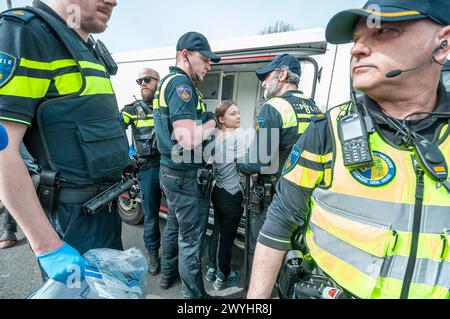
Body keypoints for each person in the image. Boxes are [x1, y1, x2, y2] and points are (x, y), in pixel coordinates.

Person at [248, 0, 450, 299]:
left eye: (383, 31)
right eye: (356, 40)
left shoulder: (273, 108)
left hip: (269, 189)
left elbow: (259, 162)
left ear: (443, 44)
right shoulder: (317, 114)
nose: (356, 49)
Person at [0, 0, 129, 284]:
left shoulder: (87, 45)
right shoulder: (26, 33)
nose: (114, 1)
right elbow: (2, 150)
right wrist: (48, 247)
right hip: (70, 222)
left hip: (105, 211)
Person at [238, 54, 321, 287]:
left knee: (261, 250)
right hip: (305, 198)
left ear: (282, 74)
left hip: (272, 198)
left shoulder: (274, 107)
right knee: (293, 255)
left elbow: (258, 162)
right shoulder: (315, 108)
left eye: (266, 77)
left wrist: (240, 165)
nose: (263, 83)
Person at [153, 31, 220, 298]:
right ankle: (194, 298)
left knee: (174, 226)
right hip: (184, 176)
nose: (208, 66)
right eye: (204, 59)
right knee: (191, 240)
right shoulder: (181, 86)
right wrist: (213, 122)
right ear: (185, 55)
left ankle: (167, 275)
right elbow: (188, 138)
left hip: (172, 173)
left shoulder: (173, 82)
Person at [121, 68, 163, 276]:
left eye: (147, 79)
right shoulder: (131, 109)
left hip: (170, 167)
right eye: (139, 81)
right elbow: (114, 130)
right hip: (148, 170)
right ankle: (153, 254)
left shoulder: (167, 106)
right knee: (151, 215)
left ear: (157, 81)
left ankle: (173, 256)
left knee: (177, 216)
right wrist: (126, 157)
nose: (143, 83)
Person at [205, 101, 245, 290]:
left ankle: (212, 269)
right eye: (233, 114)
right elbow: (248, 169)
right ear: (221, 119)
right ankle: (223, 277)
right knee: (227, 239)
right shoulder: (236, 138)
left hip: (218, 192)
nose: (238, 116)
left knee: (217, 232)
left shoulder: (214, 137)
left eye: (238, 113)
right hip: (231, 194)